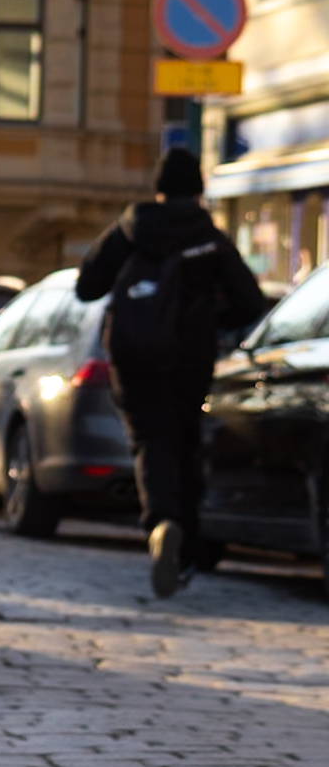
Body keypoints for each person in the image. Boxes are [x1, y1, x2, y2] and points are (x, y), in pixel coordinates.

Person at [75, 147, 269, 597]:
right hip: (189, 357)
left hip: (133, 356)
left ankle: (161, 523)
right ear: (198, 189)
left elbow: (87, 286)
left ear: (158, 188)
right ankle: (183, 546)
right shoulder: (209, 237)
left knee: (149, 442)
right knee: (184, 442)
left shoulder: (130, 228)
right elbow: (248, 302)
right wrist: (210, 319)